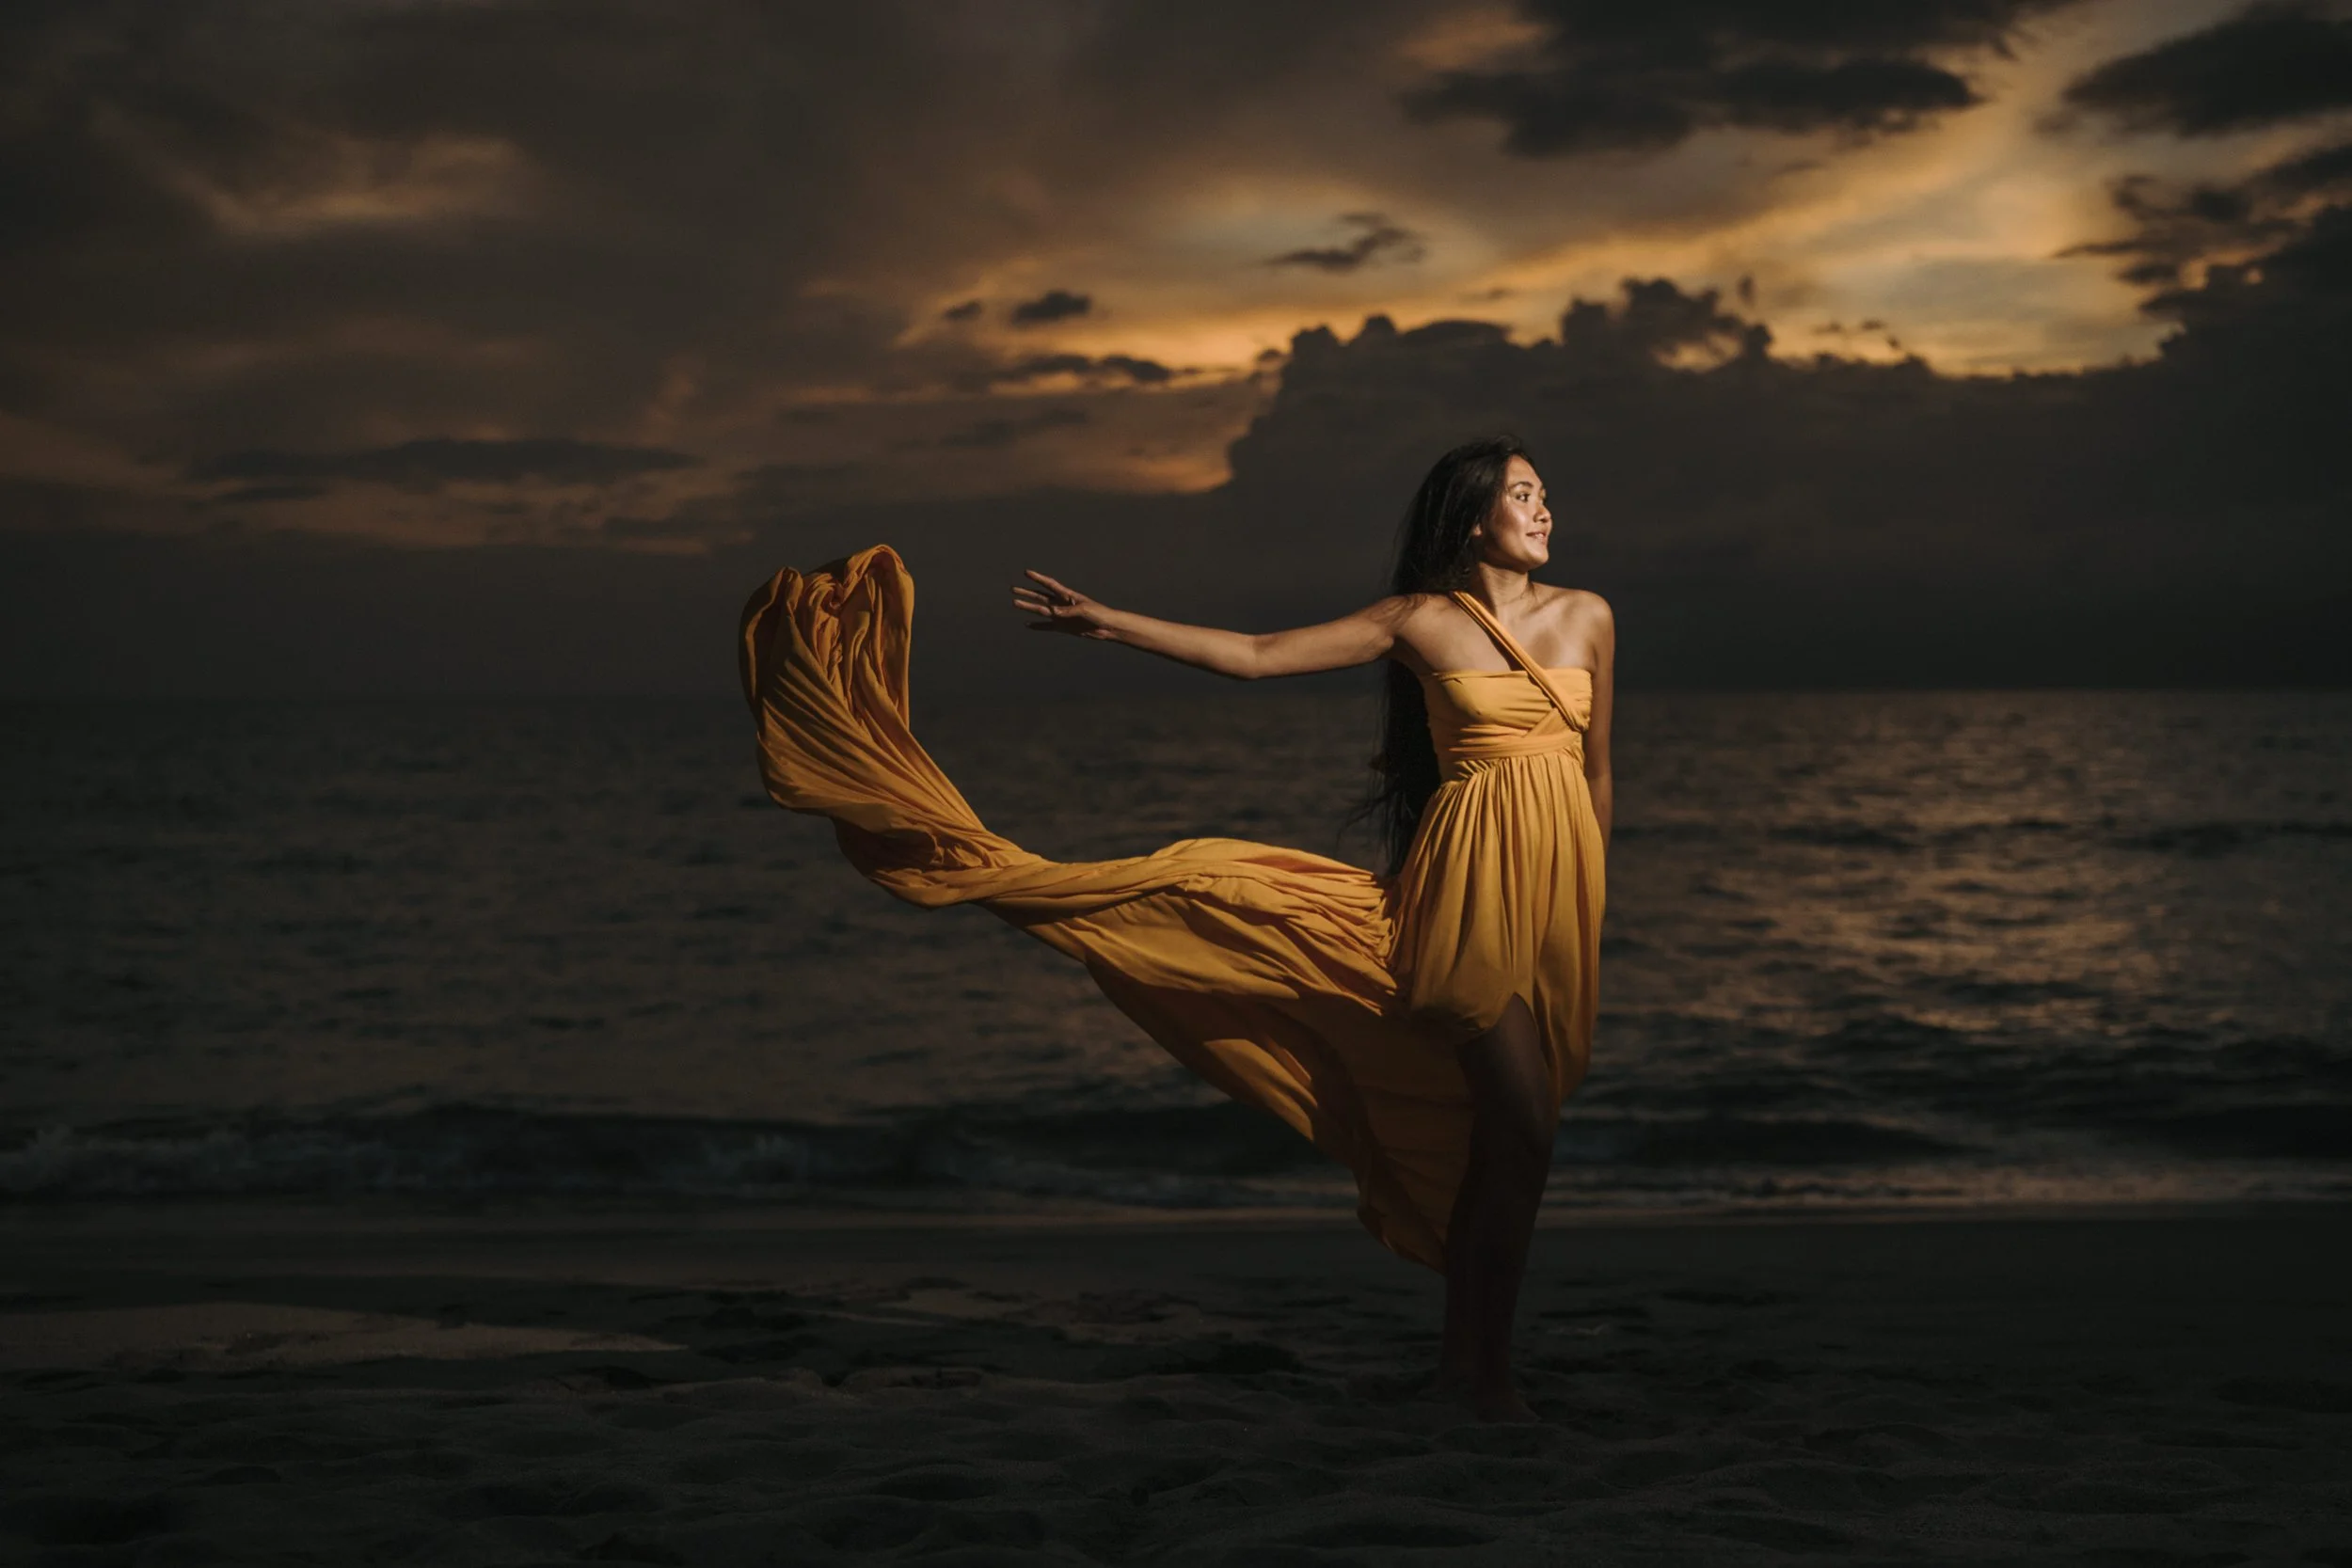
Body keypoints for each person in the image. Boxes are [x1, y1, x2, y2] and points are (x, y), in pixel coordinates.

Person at [739, 435, 1612, 1423]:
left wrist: (1591, 892)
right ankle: (1485, 1379)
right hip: (1469, 894)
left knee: (1505, 1143)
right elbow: (1253, 656)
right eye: (1524, 495)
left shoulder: (1589, 617)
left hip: (1557, 896)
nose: (1545, 512)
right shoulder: (1415, 620)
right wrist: (1113, 624)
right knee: (1524, 1131)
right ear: (1471, 518)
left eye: (1545, 494)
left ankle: (1467, 1368)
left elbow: (1595, 771)